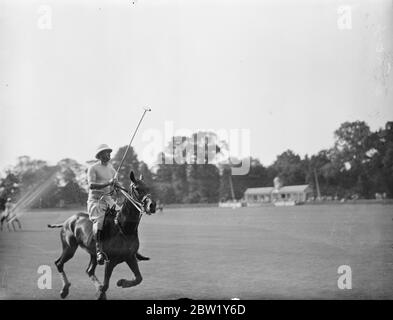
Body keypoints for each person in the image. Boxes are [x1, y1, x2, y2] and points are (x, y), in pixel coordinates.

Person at [87, 144, 148, 265]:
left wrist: (118, 187)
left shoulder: (112, 169)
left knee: (125, 219)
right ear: (100, 155)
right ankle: (99, 251)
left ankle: (131, 250)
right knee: (99, 222)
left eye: (109, 152)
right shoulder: (93, 168)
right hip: (96, 201)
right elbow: (91, 186)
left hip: (109, 200)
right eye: (106, 152)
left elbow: (116, 187)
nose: (109, 154)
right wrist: (108, 182)